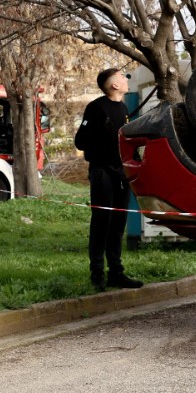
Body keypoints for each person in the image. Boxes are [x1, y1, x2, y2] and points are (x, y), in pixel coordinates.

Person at [74, 68, 142, 291]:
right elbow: (80, 142)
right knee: (101, 222)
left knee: (118, 224)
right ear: (113, 85)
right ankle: (97, 274)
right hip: (102, 172)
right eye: (122, 76)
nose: (125, 79)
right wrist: (102, 134)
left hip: (121, 174)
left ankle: (116, 273)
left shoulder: (123, 108)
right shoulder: (96, 108)